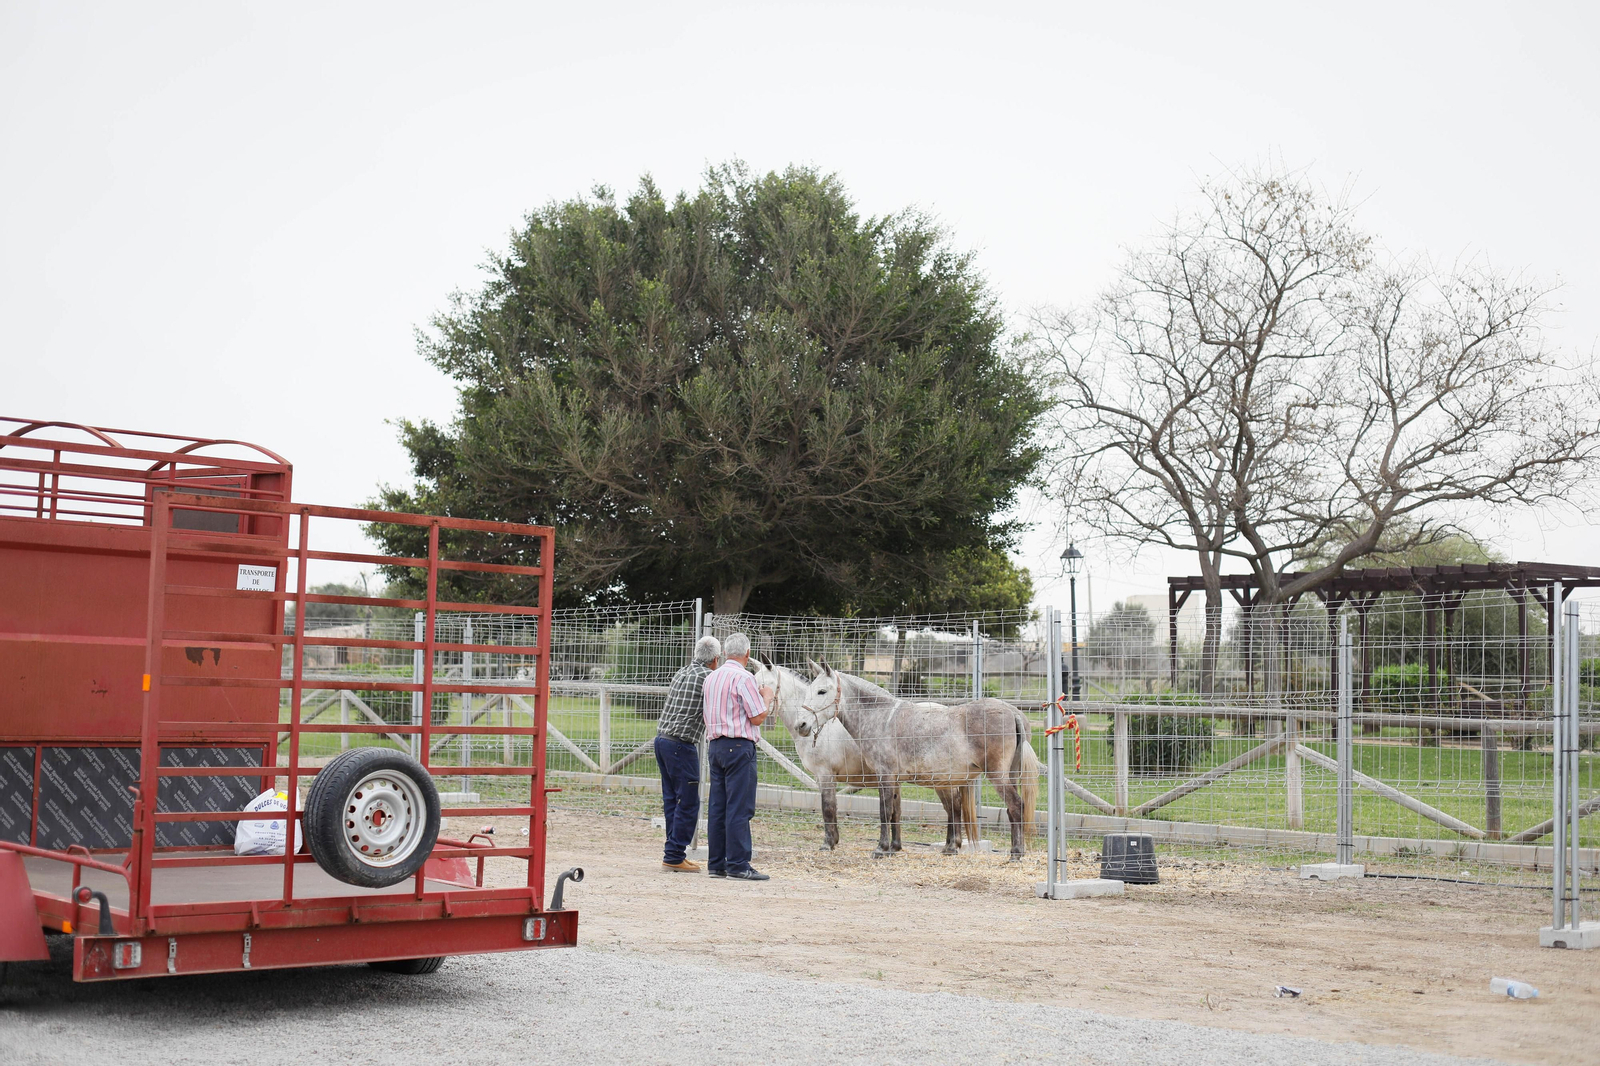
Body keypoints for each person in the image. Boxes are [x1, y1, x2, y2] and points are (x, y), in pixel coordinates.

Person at [701, 631, 774, 881]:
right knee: (739, 807)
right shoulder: (744, 678)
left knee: (718, 806)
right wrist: (766, 698)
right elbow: (757, 717)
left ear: (724, 654)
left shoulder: (711, 678)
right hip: (739, 747)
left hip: (716, 747)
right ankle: (739, 864)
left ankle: (716, 864)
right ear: (747, 654)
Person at [654, 635, 720, 872]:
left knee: (672, 799)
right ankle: (673, 856)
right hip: (681, 745)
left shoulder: (682, 672)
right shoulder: (709, 678)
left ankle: (674, 853)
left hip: (662, 740)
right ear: (715, 659)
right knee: (689, 802)